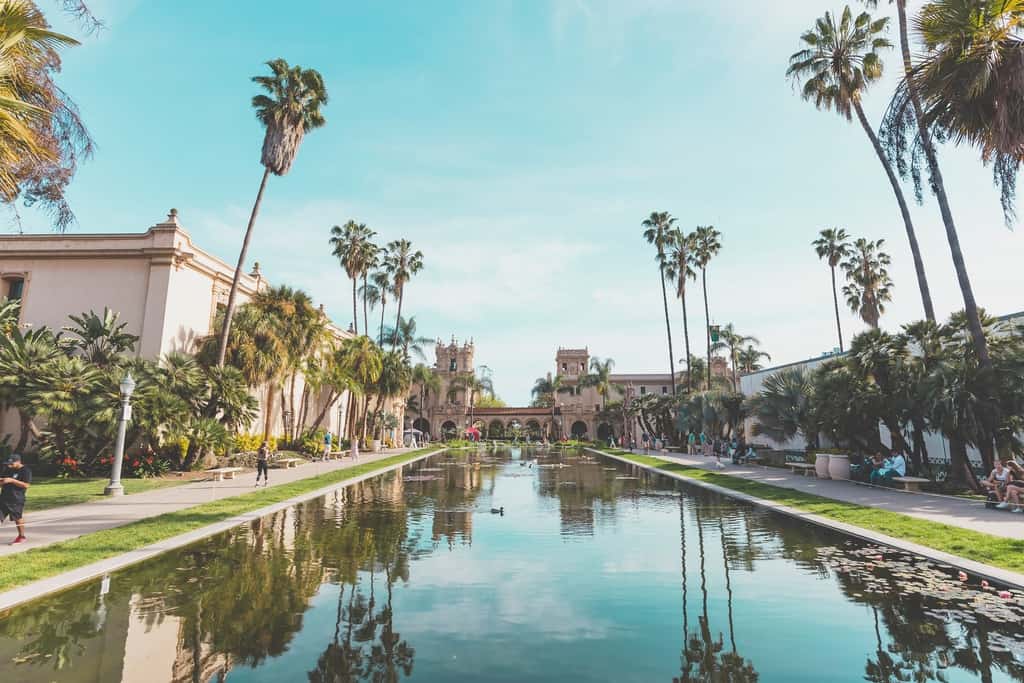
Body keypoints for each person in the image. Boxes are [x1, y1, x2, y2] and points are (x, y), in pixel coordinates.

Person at [0, 454, 31, 544]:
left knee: (17, 518)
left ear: (18, 462)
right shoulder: (8, 469)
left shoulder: (25, 470)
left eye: (11, 463)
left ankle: (21, 536)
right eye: (8, 463)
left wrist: (12, 480)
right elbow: (3, 481)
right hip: (3, 497)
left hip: (16, 499)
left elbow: (26, 485)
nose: (9, 465)